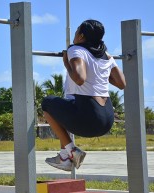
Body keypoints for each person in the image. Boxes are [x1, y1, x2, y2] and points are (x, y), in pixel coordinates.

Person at [42, 20, 126, 171]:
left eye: (76, 32)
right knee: (62, 107)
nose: (74, 35)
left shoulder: (76, 50)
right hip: (107, 119)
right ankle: (64, 157)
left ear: (81, 36)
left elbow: (80, 79)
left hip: (89, 119)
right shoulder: (105, 55)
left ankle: (73, 151)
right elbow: (121, 83)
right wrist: (98, 71)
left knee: (48, 104)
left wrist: (67, 63)